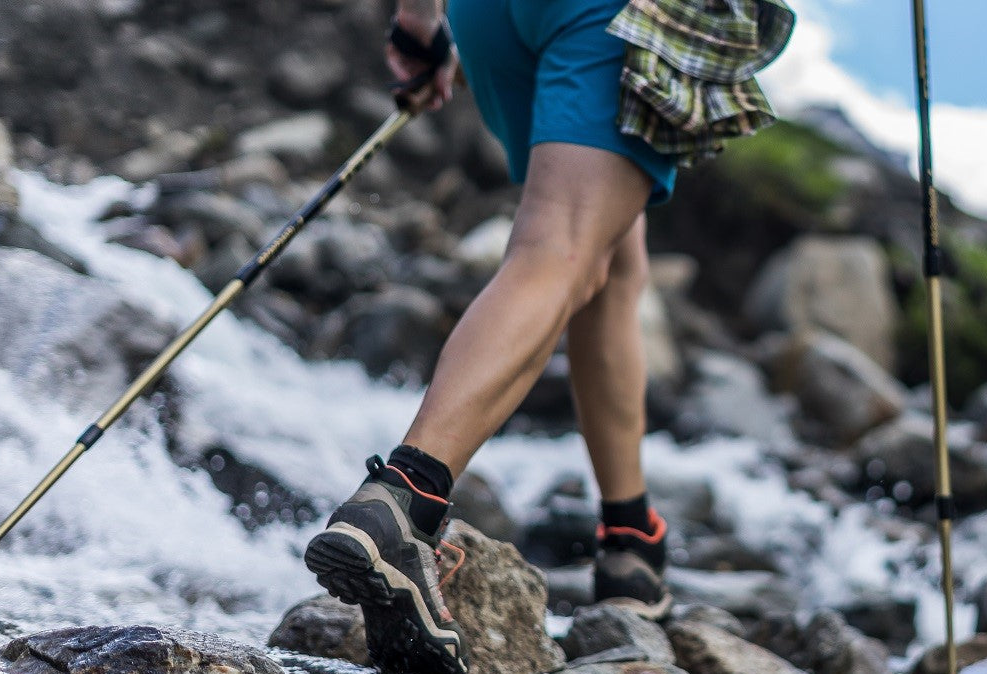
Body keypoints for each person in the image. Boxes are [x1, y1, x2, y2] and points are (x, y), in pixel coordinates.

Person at [303, 0, 795, 670]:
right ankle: (405, 498)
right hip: (610, 14)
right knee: (558, 248)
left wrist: (420, 23)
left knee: (610, 257)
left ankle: (630, 540)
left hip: (486, 16)